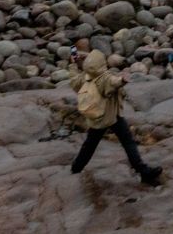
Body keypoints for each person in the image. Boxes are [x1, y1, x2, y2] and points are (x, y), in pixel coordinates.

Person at [68, 49, 162, 184]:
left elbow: (73, 80)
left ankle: (76, 168)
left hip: (97, 118)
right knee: (128, 142)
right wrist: (122, 80)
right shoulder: (104, 77)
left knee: (89, 145)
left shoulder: (85, 76)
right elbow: (114, 82)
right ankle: (143, 171)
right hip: (111, 116)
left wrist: (74, 64)